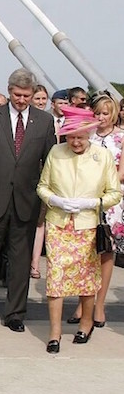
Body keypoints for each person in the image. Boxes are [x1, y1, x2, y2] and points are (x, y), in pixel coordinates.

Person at [0, 69, 57, 332]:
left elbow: (51, 162)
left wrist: (49, 197)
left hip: (26, 201)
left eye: (27, 95)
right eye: (17, 95)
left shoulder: (44, 121)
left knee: (20, 260)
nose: (22, 100)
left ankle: (15, 313)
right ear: (9, 90)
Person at [36, 106, 120, 352]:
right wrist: (56, 200)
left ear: (90, 135)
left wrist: (91, 203)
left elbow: (114, 193)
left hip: (88, 225)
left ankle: (85, 324)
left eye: (80, 137)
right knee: (56, 278)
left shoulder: (102, 156)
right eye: (71, 136)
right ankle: (54, 333)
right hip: (58, 224)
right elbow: (42, 186)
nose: (75, 141)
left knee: (87, 278)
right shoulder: (55, 151)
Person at [67, 94, 124, 326]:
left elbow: (121, 172)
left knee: (106, 251)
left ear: (114, 114)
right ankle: (83, 303)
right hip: (84, 199)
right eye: (97, 113)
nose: (101, 118)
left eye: (106, 113)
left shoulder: (121, 138)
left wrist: (103, 190)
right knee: (85, 253)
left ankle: (99, 304)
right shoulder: (85, 136)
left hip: (110, 201)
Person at [29, 85, 50, 279]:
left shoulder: (50, 122)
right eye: (38, 98)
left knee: (39, 222)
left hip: (44, 179)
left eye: (44, 99)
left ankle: (35, 262)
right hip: (26, 179)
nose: (41, 102)